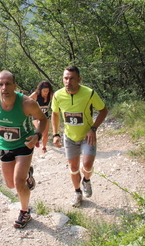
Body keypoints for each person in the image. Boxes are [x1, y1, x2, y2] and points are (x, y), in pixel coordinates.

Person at [0, 70, 47, 228]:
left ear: (14, 85)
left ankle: (25, 212)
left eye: (7, 84)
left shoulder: (27, 103)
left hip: (23, 144)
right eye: (1, 84)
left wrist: (37, 136)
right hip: (5, 145)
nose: (4, 87)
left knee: (18, 183)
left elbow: (43, 119)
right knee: (10, 184)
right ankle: (28, 175)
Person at [51, 65, 107, 207]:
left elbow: (103, 110)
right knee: (73, 167)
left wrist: (93, 128)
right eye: (65, 78)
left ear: (79, 79)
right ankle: (77, 193)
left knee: (87, 166)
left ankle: (86, 180)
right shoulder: (58, 95)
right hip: (69, 137)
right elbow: (55, 113)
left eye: (71, 79)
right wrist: (55, 134)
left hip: (87, 136)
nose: (68, 81)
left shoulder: (89, 93)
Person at [29, 81, 54, 154]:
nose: (46, 92)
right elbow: (25, 101)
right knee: (41, 130)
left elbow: (58, 101)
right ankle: (36, 138)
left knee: (45, 134)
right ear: (40, 90)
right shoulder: (36, 94)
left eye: (47, 91)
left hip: (45, 116)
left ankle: (44, 147)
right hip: (36, 116)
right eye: (44, 91)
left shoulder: (51, 95)